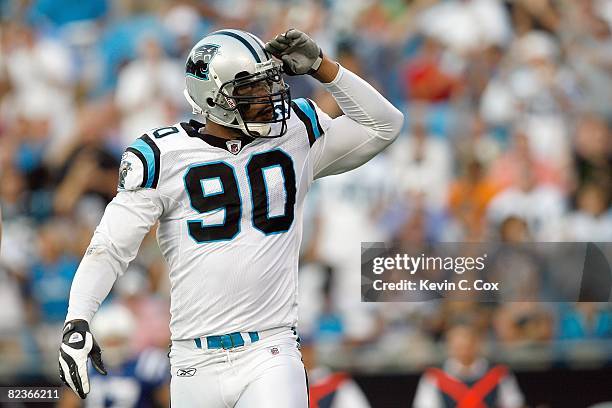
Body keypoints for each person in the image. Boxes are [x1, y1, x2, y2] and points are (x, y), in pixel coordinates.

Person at [58, 28, 403, 407]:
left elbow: (385, 124)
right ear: (213, 97)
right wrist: (78, 318)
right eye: (251, 89)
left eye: (267, 84)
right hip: (193, 360)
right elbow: (110, 247)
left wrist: (324, 68)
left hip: (270, 348)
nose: (267, 97)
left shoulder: (295, 134)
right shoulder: (164, 155)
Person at [413, 324, 524, 408]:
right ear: (449, 347)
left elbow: (514, 403)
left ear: (477, 344)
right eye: (458, 347)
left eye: (468, 345)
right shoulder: (433, 377)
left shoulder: (499, 374)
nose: (464, 351)